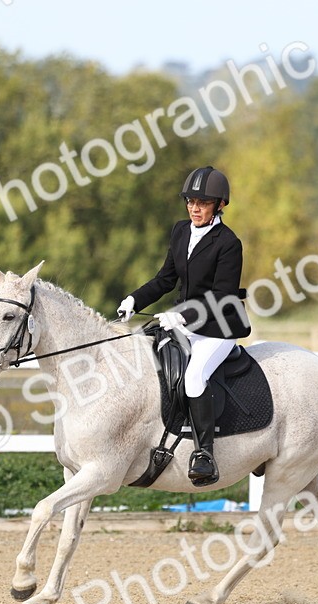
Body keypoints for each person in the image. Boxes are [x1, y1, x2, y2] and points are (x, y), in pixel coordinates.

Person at [116, 165, 252, 487]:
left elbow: (222, 296)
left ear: (219, 205)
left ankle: (204, 453)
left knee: (193, 378)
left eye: (203, 203)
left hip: (218, 328)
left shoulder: (228, 243)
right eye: (191, 201)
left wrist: (182, 316)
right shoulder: (180, 231)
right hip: (186, 322)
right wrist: (135, 300)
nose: (194, 208)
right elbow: (166, 279)